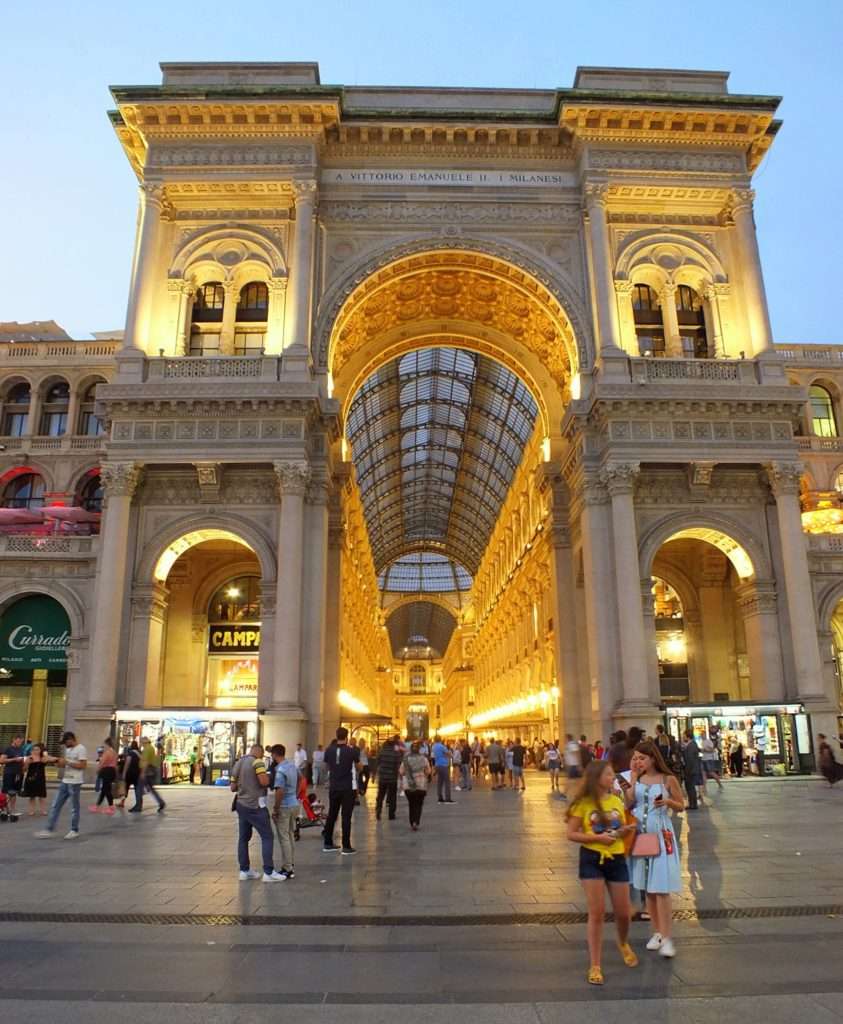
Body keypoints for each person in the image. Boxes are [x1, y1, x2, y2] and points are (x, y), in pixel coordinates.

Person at [566, 759, 638, 985]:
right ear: (597, 777)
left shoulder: (616, 800)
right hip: (592, 859)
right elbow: (571, 833)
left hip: (616, 858)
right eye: (608, 774)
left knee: (624, 912)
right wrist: (596, 838)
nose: (613, 778)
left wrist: (626, 831)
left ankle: (623, 941)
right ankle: (595, 965)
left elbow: (619, 830)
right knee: (596, 912)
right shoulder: (583, 804)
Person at [625, 740, 683, 959]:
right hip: (642, 836)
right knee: (647, 886)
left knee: (661, 886)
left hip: (661, 834)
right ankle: (657, 932)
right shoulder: (637, 780)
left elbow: (681, 805)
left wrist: (667, 801)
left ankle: (667, 937)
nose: (638, 762)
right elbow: (629, 803)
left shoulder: (668, 779)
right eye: (635, 758)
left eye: (642, 758)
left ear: (652, 759)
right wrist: (631, 779)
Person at [231, 743, 284, 882]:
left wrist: (245, 785)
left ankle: (244, 870)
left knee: (243, 838)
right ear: (259, 752)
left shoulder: (239, 762)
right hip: (255, 806)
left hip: (241, 805)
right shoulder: (258, 762)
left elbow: (232, 787)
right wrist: (269, 777)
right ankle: (268, 872)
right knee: (267, 836)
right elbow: (264, 782)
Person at [36, 731, 87, 840]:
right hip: (65, 780)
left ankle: (74, 830)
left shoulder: (81, 749)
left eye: (66, 742)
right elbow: (65, 764)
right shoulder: (68, 749)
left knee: (74, 807)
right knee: (55, 805)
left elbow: (83, 765)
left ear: (71, 739)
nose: (65, 745)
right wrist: (55, 761)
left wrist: (67, 762)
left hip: (75, 782)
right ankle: (49, 829)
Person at [323, 727, 360, 854]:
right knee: (346, 816)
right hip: (347, 787)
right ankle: (346, 846)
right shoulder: (351, 751)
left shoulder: (329, 750)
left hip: (334, 786)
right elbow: (359, 766)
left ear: (336, 735)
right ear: (347, 737)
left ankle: (327, 843)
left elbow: (326, 766)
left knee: (332, 815)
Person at [270, 743, 299, 880]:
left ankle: (287, 867)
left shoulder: (280, 770)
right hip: (294, 803)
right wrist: (295, 794)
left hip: (285, 806)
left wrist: (276, 808)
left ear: (274, 755)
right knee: (290, 834)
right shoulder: (292, 765)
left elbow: (279, 790)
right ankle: (291, 863)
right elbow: (302, 779)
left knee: (284, 837)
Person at [400, 740, 432, 831]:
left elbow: (401, 772)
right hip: (421, 785)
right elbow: (428, 771)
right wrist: (422, 774)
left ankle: (412, 822)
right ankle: (416, 822)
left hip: (409, 786)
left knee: (411, 804)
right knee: (419, 804)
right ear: (419, 749)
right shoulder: (424, 759)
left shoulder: (406, 759)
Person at [133, 737, 166, 813]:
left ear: (144, 742)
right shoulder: (151, 748)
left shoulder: (147, 749)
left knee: (138, 788)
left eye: (141, 742)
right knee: (151, 789)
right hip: (150, 771)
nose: (140, 743)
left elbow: (146, 761)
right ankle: (161, 802)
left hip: (146, 771)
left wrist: (143, 773)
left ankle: (138, 806)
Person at [375, 734, 402, 820]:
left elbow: (377, 762)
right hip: (392, 778)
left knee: (380, 795)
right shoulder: (396, 753)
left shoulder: (381, 752)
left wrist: (375, 773)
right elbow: (398, 764)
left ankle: (378, 811)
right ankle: (391, 814)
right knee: (392, 796)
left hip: (382, 777)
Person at [91, 736, 118, 814]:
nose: (104, 746)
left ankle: (111, 807)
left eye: (104, 744)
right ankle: (97, 806)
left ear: (107, 744)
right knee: (104, 789)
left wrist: (98, 770)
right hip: (112, 771)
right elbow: (115, 764)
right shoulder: (114, 752)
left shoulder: (107, 752)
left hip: (107, 771)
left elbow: (102, 763)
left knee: (106, 790)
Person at [22, 742, 50, 815]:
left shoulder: (43, 758)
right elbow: (24, 769)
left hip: (40, 778)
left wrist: (45, 755)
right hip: (31, 778)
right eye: (34, 749)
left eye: (37, 749)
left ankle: (43, 810)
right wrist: (27, 763)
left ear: (40, 750)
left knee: (41, 795)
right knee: (32, 796)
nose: (35, 751)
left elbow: (47, 760)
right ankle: (31, 810)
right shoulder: (29, 758)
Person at [1, 734, 25, 817]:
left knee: (14, 792)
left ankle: (12, 810)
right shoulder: (8, 749)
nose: (20, 743)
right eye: (18, 741)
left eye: (21, 742)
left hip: (18, 773)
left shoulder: (21, 749)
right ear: (14, 740)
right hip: (9, 773)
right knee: (6, 791)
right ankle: (4, 810)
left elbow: (22, 760)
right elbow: (2, 760)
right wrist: (14, 759)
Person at [681, 730, 702, 810]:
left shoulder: (691, 745)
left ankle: (693, 804)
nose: (683, 737)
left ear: (687, 736)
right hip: (692, 769)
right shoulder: (691, 745)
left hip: (691, 770)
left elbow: (690, 759)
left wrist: (687, 770)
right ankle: (692, 803)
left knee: (690, 787)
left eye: (684, 735)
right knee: (690, 787)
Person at [431, 735, 454, 803]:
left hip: (437, 764)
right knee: (447, 782)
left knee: (439, 782)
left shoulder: (434, 746)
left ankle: (440, 798)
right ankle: (448, 798)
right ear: (440, 739)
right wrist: (448, 755)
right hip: (443, 765)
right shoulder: (441, 746)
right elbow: (449, 754)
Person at [122, 740, 141, 810]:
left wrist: (124, 773)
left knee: (126, 788)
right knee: (137, 789)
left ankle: (122, 802)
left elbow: (127, 763)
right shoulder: (140, 753)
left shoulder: (131, 753)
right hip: (137, 773)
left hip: (130, 773)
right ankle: (138, 803)